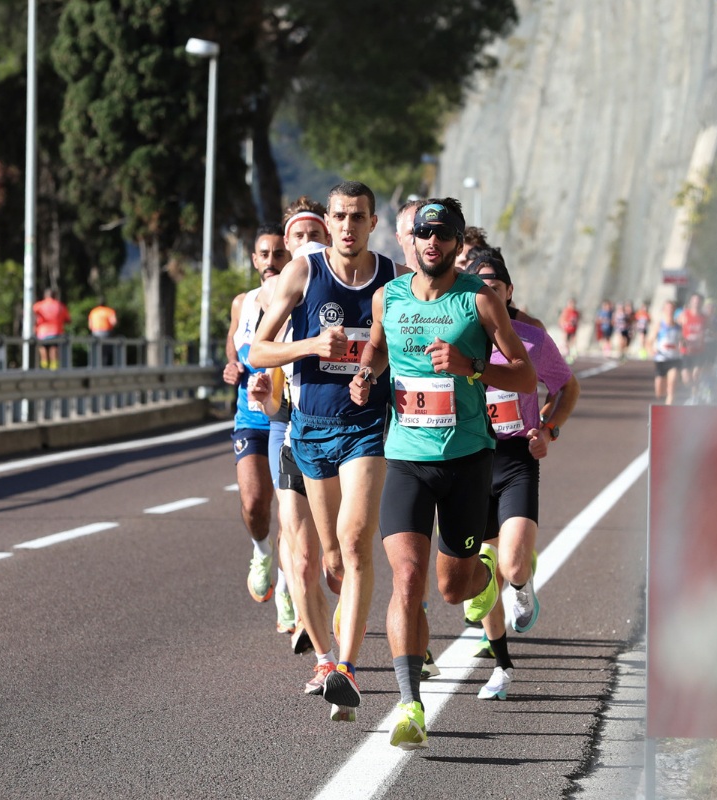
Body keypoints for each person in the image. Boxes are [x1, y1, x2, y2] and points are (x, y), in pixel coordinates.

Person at [349, 198, 536, 750]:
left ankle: (484, 570)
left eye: (444, 234)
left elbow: (525, 376)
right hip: (406, 455)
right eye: (424, 233)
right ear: (411, 241)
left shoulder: (478, 301)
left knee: (452, 589)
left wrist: (471, 366)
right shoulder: (390, 297)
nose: (432, 242)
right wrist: (364, 375)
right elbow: (378, 352)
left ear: (457, 243)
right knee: (407, 577)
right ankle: (410, 705)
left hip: (466, 459)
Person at [248, 180, 403, 723]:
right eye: (338, 216)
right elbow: (258, 350)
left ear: (372, 222)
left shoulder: (392, 279)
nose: (346, 226)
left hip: (365, 426)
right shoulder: (305, 272)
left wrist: (371, 370)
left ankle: (345, 669)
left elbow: (395, 348)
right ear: (330, 219)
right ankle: (329, 652)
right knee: (329, 560)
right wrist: (311, 345)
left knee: (355, 543)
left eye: (357, 217)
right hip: (310, 427)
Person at [464, 248, 580, 701]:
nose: (488, 291)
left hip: (515, 459)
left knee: (510, 563)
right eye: (480, 285)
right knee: (482, 572)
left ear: (509, 292)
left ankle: (522, 581)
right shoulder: (457, 337)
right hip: (469, 460)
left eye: (496, 285)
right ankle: (501, 665)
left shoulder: (530, 339)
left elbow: (567, 386)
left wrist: (548, 429)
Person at [222, 224, 289, 624]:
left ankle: (287, 590)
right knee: (253, 502)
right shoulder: (242, 303)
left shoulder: (300, 296)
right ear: (254, 259)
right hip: (250, 417)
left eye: (278, 254)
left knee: (292, 514)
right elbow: (234, 340)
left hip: (288, 416)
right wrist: (232, 365)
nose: (271, 261)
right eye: (263, 254)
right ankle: (261, 552)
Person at [647, 300, 683, 405]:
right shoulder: (659, 325)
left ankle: (668, 411)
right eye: (667, 308)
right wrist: (651, 350)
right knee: (659, 392)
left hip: (674, 359)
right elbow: (649, 341)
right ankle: (663, 402)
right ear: (664, 310)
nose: (670, 311)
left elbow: (682, 340)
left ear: (675, 310)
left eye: (672, 309)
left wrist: (683, 345)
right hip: (661, 359)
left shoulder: (678, 327)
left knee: (672, 386)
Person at [677, 292, 708, 398]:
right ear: (690, 302)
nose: (696, 304)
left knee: (696, 375)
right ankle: (694, 391)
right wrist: (681, 341)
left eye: (698, 301)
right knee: (686, 379)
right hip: (686, 351)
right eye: (694, 301)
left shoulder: (705, 318)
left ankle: (695, 396)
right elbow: (678, 330)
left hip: (699, 351)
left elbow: (710, 330)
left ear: (702, 303)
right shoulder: (684, 315)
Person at [33, 288, 70, 370]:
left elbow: (32, 316)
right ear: (55, 296)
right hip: (56, 331)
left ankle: (44, 366)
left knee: (43, 348)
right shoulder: (60, 306)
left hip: (42, 332)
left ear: (45, 295)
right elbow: (68, 319)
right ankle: (54, 368)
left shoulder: (38, 306)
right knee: (54, 348)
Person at [87, 296, 117, 367]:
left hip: (95, 333)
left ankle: (95, 366)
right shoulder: (109, 311)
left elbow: (90, 325)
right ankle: (106, 366)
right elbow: (114, 322)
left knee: (96, 350)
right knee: (106, 352)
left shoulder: (93, 311)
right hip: (106, 333)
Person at [558, 297, 580, 362]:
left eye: (573, 304)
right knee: (566, 342)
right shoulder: (566, 311)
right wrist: (563, 326)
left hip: (573, 329)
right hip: (566, 329)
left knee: (572, 342)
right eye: (570, 303)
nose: (572, 305)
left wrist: (575, 325)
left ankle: (571, 354)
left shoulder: (576, 312)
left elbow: (577, 320)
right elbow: (561, 320)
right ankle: (566, 353)